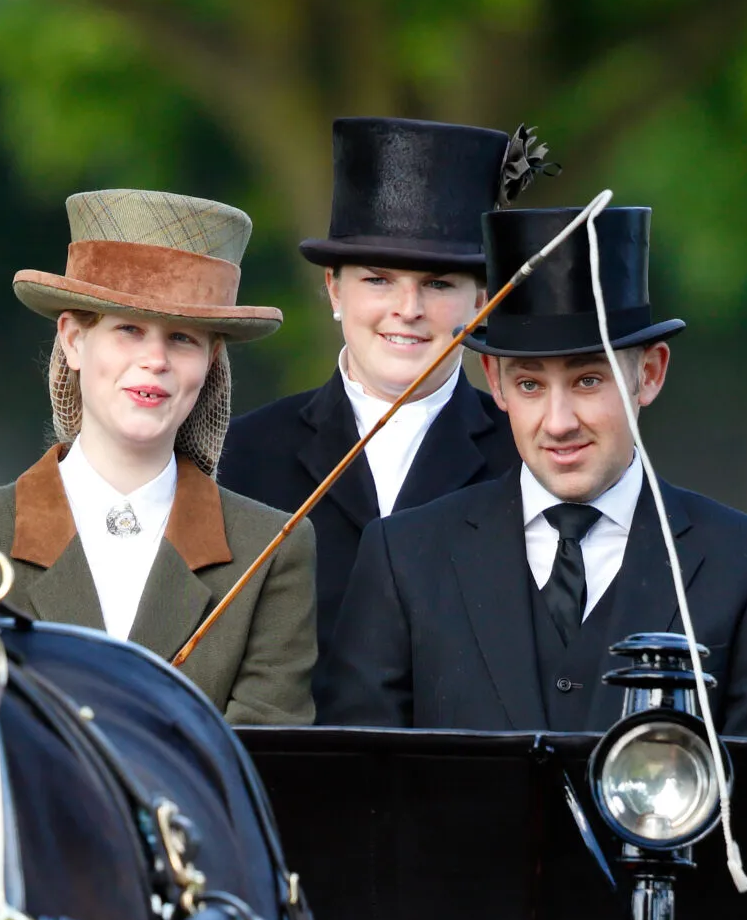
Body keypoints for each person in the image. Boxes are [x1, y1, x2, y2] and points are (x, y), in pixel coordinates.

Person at [322, 204, 747, 906]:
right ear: (497, 384)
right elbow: (352, 800)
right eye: (531, 384)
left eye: (589, 380)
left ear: (649, 374)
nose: (558, 421)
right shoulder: (405, 558)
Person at [0, 190, 315, 725]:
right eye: (128, 329)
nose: (154, 360)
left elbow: (264, 768)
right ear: (74, 340)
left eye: (182, 338)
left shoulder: (271, 552)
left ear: (211, 360)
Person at [219, 118, 522, 659]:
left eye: (437, 284)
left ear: (482, 301)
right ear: (333, 289)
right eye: (378, 279)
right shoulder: (240, 456)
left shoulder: (525, 458)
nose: (407, 310)